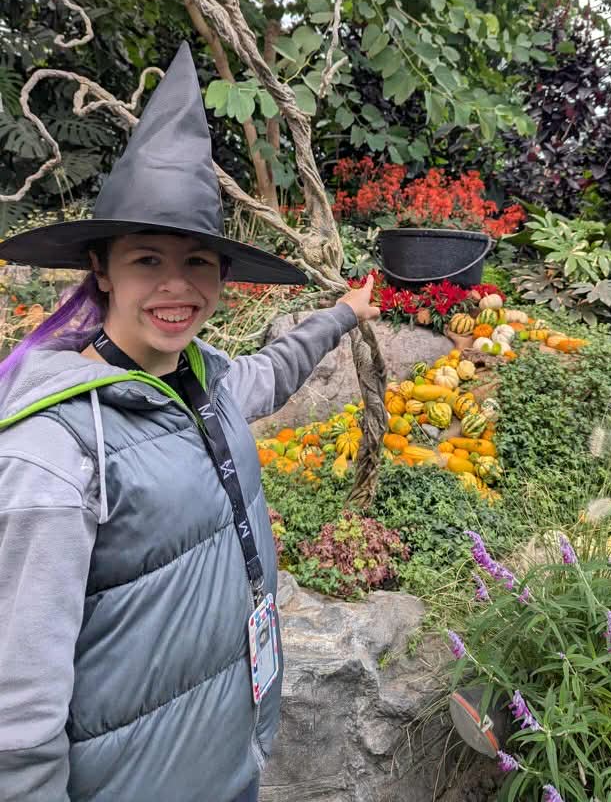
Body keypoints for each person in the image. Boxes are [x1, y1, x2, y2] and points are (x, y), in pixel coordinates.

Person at [0, 43, 379, 802]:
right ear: (101, 269)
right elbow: (18, 702)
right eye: (147, 260)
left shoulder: (204, 379)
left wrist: (344, 313)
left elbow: (268, 374)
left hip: (223, 754)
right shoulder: (58, 444)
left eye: (199, 262)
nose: (177, 287)